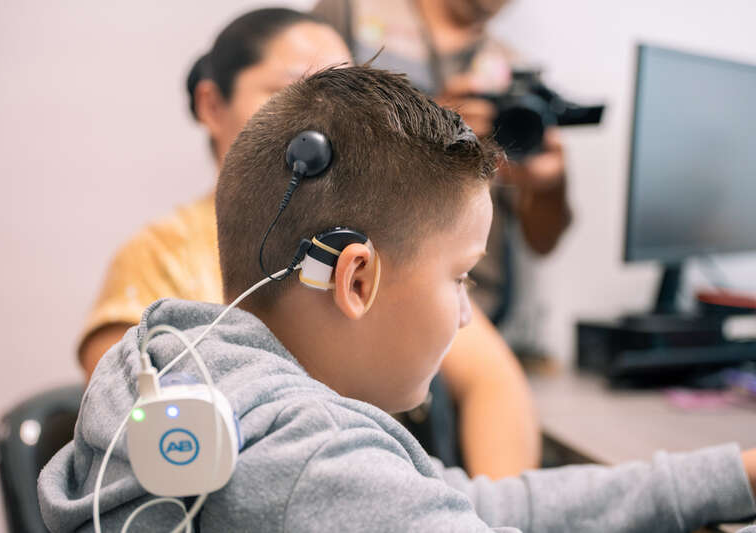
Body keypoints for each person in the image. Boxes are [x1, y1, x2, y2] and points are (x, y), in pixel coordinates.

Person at [39, 65, 756, 532]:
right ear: (356, 279)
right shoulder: (312, 461)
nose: (467, 313)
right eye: (460, 276)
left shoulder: (200, 379)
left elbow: (472, 503)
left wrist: (735, 475)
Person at [78, 7, 539, 478]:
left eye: (342, 94)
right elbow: (139, 436)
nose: (326, 116)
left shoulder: (373, 241)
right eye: (294, 91)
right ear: (212, 106)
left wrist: (477, 507)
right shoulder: (157, 255)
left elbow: (493, 381)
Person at [313, 0, 571, 324]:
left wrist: (550, 187)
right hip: (360, 292)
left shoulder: (514, 73)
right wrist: (433, 131)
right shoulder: (352, 14)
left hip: (471, 310)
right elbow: (295, 154)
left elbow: (543, 242)